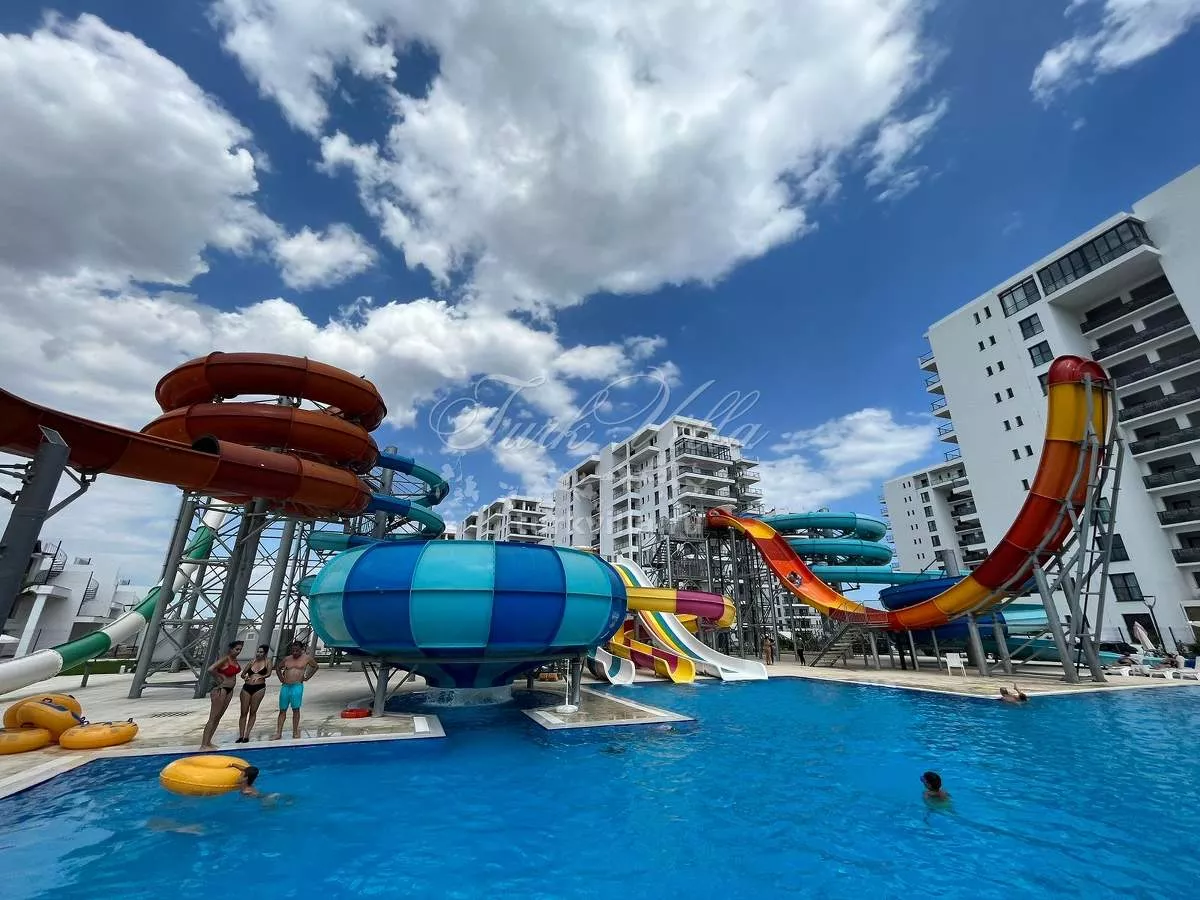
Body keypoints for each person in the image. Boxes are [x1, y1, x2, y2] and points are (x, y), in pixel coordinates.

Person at [200, 640, 243, 750]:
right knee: (213, 717)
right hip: (221, 689)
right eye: (237, 649)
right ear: (231, 649)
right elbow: (210, 669)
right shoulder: (225, 659)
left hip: (230, 690)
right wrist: (219, 677)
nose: (238, 651)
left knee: (218, 717)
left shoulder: (235, 660)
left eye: (240, 650)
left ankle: (208, 741)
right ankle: (203, 744)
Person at [273, 640, 318, 740]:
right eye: (293, 650)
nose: (295, 653)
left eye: (297, 651)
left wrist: (307, 677)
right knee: (282, 710)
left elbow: (315, 666)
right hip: (286, 686)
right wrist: (281, 678)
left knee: (296, 709)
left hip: (297, 686)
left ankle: (295, 732)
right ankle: (278, 733)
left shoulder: (306, 658)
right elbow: (278, 668)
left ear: (301, 650)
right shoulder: (287, 659)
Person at [236, 645, 273, 743]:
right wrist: (245, 677)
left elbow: (269, 673)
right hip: (247, 687)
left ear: (265, 653)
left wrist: (261, 677)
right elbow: (243, 674)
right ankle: (241, 735)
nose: (259, 654)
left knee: (253, 711)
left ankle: (246, 735)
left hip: (259, 688)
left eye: (261, 652)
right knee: (243, 712)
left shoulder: (268, 662)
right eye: (258, 651)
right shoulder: (251, 662)